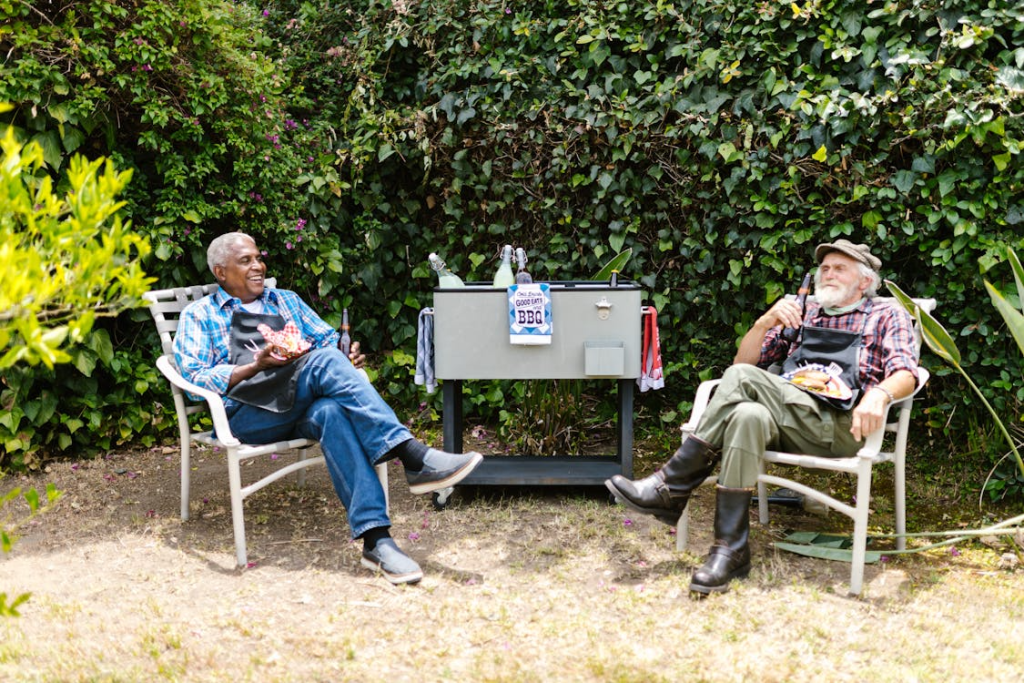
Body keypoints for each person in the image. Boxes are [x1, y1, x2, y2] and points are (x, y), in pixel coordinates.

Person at [606, 239, 919, 595]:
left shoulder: (884, 313)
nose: (828, 274)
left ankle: (671, 487)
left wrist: (880, 394)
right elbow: (744, 363)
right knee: (747, 414)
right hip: (787, 415)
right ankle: (730, 551)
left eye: (839, 268)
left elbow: (907, 372)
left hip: (839, 424)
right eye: (825, 268)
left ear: (864, 281)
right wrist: (763, 322)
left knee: (740, 382)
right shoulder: (804, 311)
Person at [174, 232, 483, 585]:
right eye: (246, 261)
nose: (258, 266)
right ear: (220, 272)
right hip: (245, 415)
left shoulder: (284, 300)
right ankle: (413, 457)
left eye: (259, 258)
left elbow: (325, 342)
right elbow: (194, 377)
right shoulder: (200, 314)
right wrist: (254, 366)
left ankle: (376, 541)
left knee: (331, 411)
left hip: (295, 404)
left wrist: (345, 353)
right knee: (323, 363)